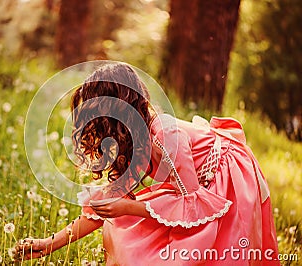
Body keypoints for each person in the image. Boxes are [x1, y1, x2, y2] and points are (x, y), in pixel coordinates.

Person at [15, 63, 279, 265]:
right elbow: (104, 208)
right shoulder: (132, 143)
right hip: (193, 189)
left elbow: (193, 206)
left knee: (206, 247)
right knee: (126, 225)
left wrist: (128, 207)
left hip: (226, 172)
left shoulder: (164, 135)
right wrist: (50, 244)